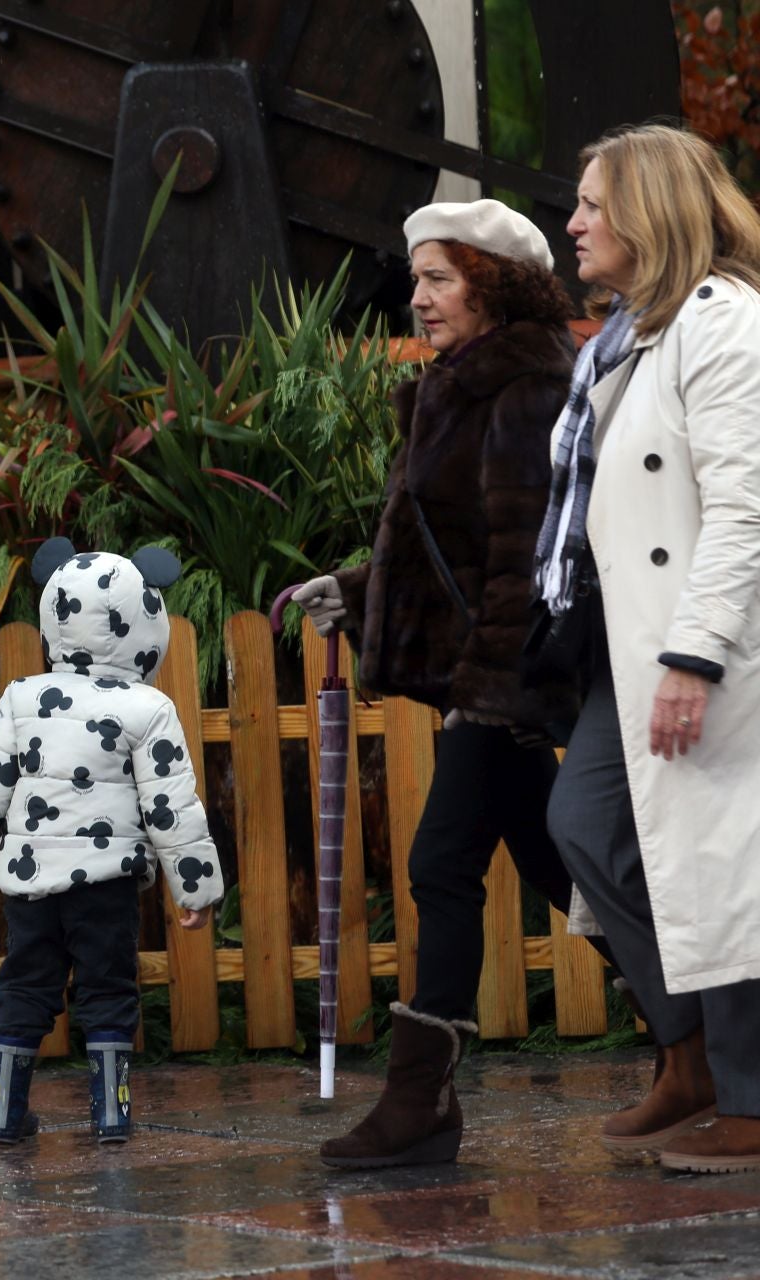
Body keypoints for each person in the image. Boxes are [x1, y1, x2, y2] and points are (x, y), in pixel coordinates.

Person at [297, 199, 601, 1168]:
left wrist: (489, 686)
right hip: (491, 676)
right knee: (573, 869)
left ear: (493, 279)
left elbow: (522, 563)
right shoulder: (463, 382)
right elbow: (452, 548)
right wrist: (353, 589)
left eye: (439, 276)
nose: (417, 295)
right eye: (418, 276)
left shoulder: (524, 384)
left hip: (503, 678)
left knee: (441, 863)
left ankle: (420, 1101)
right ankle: (705, 1047)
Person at [540, 124, 760, 1175]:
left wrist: (696, 652)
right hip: (622, 646)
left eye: (591, 204)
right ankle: (691, 1055)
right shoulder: (626, 337)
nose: (574, 223)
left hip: (704, 646)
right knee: (585, 827)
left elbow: (743, 508)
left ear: (649, 211)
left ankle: (749, 1091)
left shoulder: (724, 323)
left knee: (728, 864)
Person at [0, 538, 221, 1144]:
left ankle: (6, 1112)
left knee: (25, 983)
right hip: (106, 881)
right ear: (147, 621)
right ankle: (111, 1112)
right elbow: (171, 804)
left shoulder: (21, 698)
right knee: (107, 986)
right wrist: (195, 889)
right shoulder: (148, 708)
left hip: (31, 882)